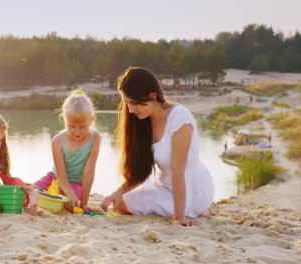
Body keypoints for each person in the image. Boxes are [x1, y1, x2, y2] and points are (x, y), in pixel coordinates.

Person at [100, 67, 214, 226]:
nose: (131, 110)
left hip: (191, 188)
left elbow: (179, 172)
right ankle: (194, 210)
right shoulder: (143, 121)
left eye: (134, 103)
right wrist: (116, 193)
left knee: (123, 204)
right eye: (127, 104)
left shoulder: (179, 118)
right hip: (164, 184)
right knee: (119, 202)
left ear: (152, 96)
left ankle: (197, 208)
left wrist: (178, 218)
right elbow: (141, 171)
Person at [33, 90, 101, 212]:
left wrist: (84, 204)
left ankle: (65, 196)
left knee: (66, 202)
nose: (77, 132)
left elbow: (88, 173)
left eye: (82, 127)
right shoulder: (57, 141)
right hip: (55, 178)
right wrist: (68, 192)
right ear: (64, 119)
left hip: (76, 183)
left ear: (91, 120)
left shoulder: (95, 139)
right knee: (31, 193)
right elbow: (61, 175)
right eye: (72, 126)